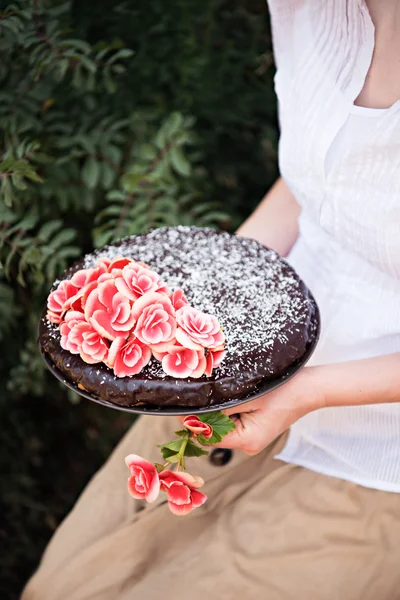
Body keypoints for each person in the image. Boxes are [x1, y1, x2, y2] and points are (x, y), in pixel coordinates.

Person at [22, 1, 400, 598]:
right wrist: (202, 305)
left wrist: (309, 392)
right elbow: (325, 181)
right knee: (71, 580)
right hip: (239, 375)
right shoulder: (309, 8)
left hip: (378, 456)